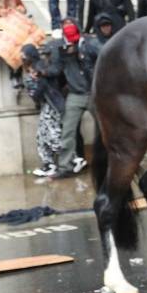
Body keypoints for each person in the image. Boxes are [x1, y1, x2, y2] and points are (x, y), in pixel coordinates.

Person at [46, 21, 93, 177]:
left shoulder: (88, 43)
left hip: (94, 92)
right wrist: (42, 71)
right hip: (75, 94)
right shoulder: (62, 48)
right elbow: (56, 69)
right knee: (68, 131)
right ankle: (65, 166)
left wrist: (81, 54)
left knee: (107, 128)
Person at [19, 42, 63, 178]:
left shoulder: (40, 67)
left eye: (25, 57)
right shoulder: (32, 69)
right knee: (41, 137)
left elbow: (44, 89)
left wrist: (38, 80)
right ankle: (49, 164)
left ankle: (68, 160)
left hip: (52, 105)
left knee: (53, 137)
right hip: (46, 105)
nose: (23, 60)